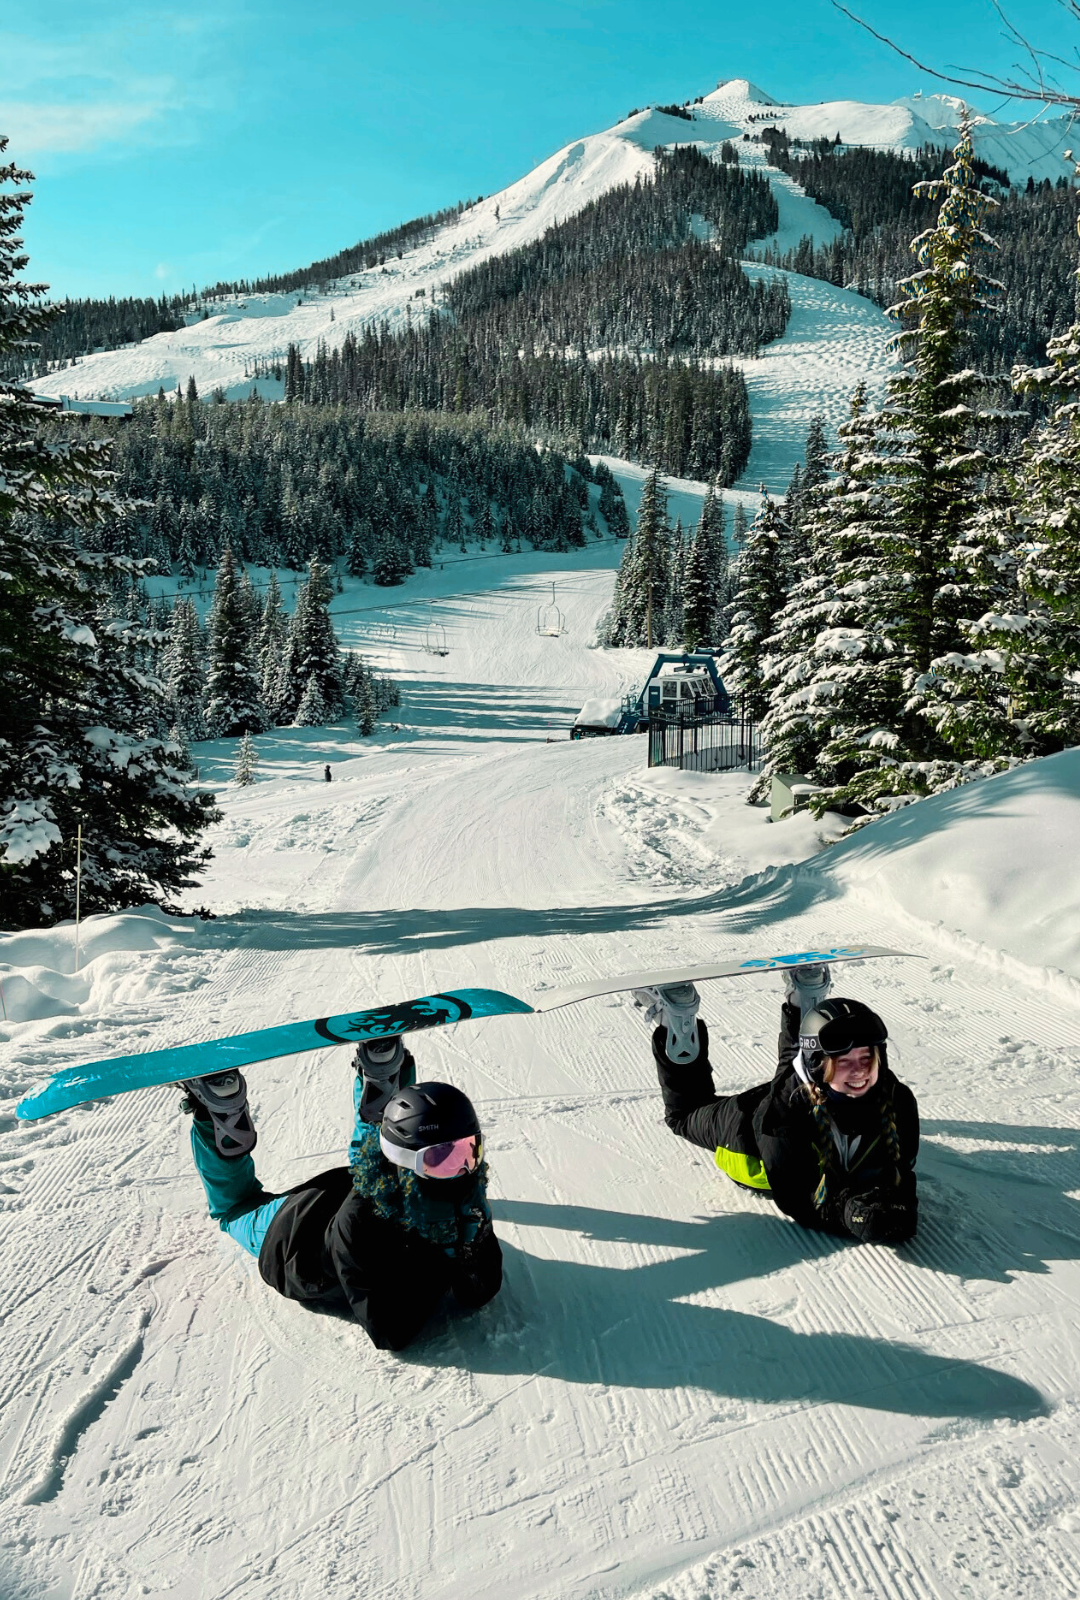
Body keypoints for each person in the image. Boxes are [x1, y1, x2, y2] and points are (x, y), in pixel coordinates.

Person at [178, 1038, 502, 1349]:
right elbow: (390, 1332)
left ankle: (382, 1070)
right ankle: (219, 1113)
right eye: (440, 1158)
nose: (463, 1170)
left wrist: (476, 1243)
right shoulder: (359, 1223)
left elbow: (477, 1293)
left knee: (373, 1157)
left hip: (344, 1189)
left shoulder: (449, 1187)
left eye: (469, 1150)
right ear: (408, 1162)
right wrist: (449, 1257)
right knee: (235, 1208)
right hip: (291, 1234)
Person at [639, 964, 918, 1244]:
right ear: (819, 1066)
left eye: (866, 1058)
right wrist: (846, 1213)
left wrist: (901, 1205)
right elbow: (796, 1197)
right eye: (844, 1061)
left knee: (795, 1058)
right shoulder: (782, 1117)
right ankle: (675, 1020)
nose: (859, 1072)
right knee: (684, 1115)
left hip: (809, 1088)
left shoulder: (897, 1098)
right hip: (745, 1127)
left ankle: (806, 994)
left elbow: (901, 1168)